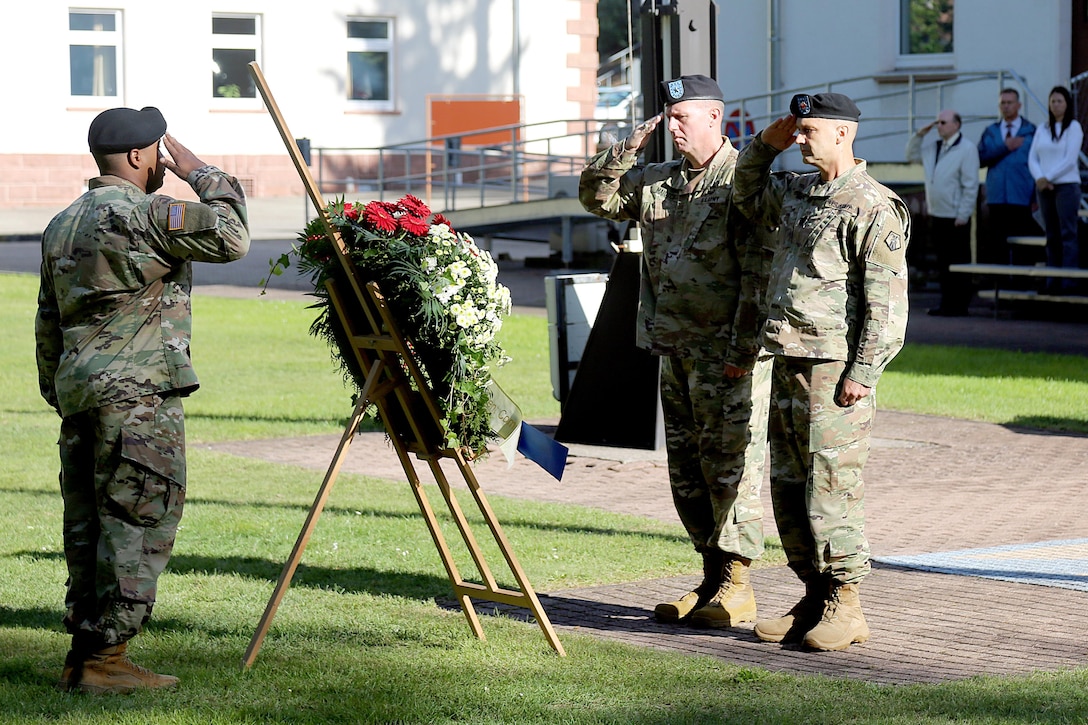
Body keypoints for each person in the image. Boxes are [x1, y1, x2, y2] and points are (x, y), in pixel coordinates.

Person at [35, 106, 250, 693]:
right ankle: (107, 660)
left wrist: (62, 389)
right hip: (138, 401)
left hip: (81, 396)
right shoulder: (152, 213)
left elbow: (49, 319)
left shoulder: (62, 223)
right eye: (158, 149)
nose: (162, 160)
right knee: (137, 520)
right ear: (137, 156)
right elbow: (232, 236)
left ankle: (85, 655)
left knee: (88, 527)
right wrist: (201, 170)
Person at [579, 75, 775, 629]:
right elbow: (596, 196)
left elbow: (760, 272)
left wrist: (745, 346)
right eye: (669, 118)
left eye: (683, 117)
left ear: (716, 117)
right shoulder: (660, 180)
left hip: (729, 353)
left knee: (732, 463)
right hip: (676, 347)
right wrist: (625, 150)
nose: (674, 127)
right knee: (687, 469)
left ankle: (738, 583)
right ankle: (711, 575)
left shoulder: (743, 181)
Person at [732, 93, 910, 651]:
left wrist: (864, 370)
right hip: (786, 357)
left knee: (832, 486)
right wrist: (766, 143)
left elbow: (885, 302)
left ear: (843, 134)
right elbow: (742, 190)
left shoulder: (874, 204)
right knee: (789, 485)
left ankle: (846, 603)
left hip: (834, 369)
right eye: (798, 130)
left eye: (809, 130)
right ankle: (813, 592)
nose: (801, 139)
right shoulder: (794, 191)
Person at [906, 109, 980, 316]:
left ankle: (960, 305)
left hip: (955, 217)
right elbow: (910, 155)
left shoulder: (967, 149)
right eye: (938, 122)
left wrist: (963, 214)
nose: (940, 126)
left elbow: (970, 185)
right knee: (943, 262)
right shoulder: (933, 148)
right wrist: (920, 134)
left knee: (957, 262)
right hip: (937, 213)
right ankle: (947, 303)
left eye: (944, 122)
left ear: (956, 125)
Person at [1028, 85, 1084, 293]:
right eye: (1052, 101)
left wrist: (1048, 177)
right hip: (1044, 187)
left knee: (1067, 233)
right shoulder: (1043, 128)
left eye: (1059, 101)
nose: (1055, 105)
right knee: (1051, 234)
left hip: (1066, 186)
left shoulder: (1074, 127)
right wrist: (1040, 178)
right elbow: (1033, 157)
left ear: (1067, 104)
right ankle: (1052, 280)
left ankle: (1069, 281)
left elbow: (1070, 160)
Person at [977, 89, 1039, 267]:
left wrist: (1035, 195)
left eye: (1009, 102)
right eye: (1003, 103)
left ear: (1018, 105)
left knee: (1023, 245)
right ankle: (1001, 287)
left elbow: (1039, 163)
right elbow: (980, 159)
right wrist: (1005, 147)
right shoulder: (991, 132)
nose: (1006, 106)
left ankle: (1021, 287)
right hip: (996, 197)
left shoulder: (1031, 131)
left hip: (1021, 196)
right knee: (998, 244)